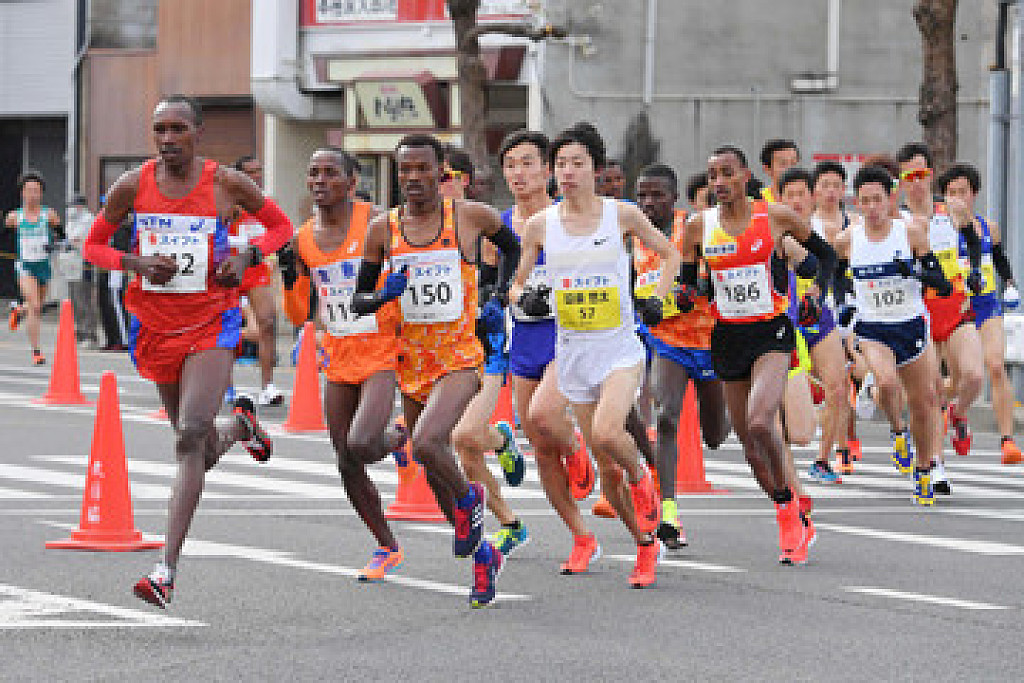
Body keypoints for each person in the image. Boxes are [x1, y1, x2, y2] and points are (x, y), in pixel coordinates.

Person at [82, 95, 293, 608]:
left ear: (198, 132)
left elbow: (282, 228)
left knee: (191, 433)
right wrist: (136, 263)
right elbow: (93, 246)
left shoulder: (226, 183)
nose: (168, 138)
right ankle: (241, 426)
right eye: (160, 129)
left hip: (212, 320)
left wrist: (247, 256)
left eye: (178, 128)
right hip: (155, 325)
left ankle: (165, 570)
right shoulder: (132, 184)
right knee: (193, 442)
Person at [352, 133, 522, 608]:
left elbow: (511, 248)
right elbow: (358, 300)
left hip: (460, 356)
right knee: (433, 470)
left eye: (422, 168)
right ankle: (485, 557)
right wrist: (382, 295)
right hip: (412, 361)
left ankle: (472, 500)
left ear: (440, 170)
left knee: (427, 442)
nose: (413, 177)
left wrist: (496, 293)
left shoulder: (468, 217)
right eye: (404, 169)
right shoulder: (383, 230)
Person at [512, 122, 674, 588]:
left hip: (618, 349)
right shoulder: (540, 226)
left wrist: (657, 298)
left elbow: (670, 255)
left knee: (607, 432)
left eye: (577, 163)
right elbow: (516, 285)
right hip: (573, 353)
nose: (567, 172)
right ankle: (644, 545)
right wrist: (526, 299)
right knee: (606, 471)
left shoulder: (621, 216)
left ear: (596, 169)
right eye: (561, 164)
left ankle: (643, 476)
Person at [679, 145, 835, 564]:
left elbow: (825, 256)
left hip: (772, 331)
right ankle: (788, 506)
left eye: (727, 173)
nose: (719, 182)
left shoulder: (775, 217)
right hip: (728, 336)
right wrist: (684, 294)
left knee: (760, 420)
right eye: (713, 176)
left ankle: (788, 516)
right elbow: (689, 282)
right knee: (750, 450)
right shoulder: (699, 226)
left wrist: (817, 293)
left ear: (746, 176)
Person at [281, 147, 407, 580]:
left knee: (362, 442)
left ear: (352, 183)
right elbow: (298, 314)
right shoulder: (302, 239)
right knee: (346, 459)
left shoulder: (378, 223)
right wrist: (290, 276)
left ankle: (400, 438)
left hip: (383, 348)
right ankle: (386, 546)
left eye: (330, 173)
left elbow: (410, 271)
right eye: (313, 172)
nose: (319, 180)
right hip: (339, 353)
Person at [498, 129, 601, 575]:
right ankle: (581, 536)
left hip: (568, 336)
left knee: (544, 414)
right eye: (510, 165)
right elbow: (495, 282)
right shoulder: (500, 225)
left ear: (547, 170)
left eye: (527, 163)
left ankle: (576, 448)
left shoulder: (566, 219)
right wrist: (511, 297)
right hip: (524, 340)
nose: (518, 173)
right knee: (538, 444)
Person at [832, 165, 947, 505]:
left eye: (877, 200)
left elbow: (940, 282)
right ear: (856, 202)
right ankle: (898, 430)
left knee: (924, 403)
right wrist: (844, 302)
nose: (872, 208)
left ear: (890, 199)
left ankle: (923, 470)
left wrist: (914, 271)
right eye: (864, 201)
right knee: (885, 382)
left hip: (910, 324)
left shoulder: (911, 233)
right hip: (872, 326)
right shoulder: (847, 240)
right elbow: (835, 275)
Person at [440, 145, 529, 559]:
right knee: (465, 448)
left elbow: (509, 256)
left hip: (484, 342)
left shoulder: (479, 222)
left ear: (465, 182)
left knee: (463, 434)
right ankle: (510, 523)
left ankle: (499, 437)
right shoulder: (410, 227)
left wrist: (496, 294)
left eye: (445, 177)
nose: (436, 185)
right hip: (440, 349)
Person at [634, 163, 729, 549]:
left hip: (708, 340)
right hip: (667, 342)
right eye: (642, 195)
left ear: (674, 199)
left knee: (715, 435)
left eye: (657, 195)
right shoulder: (632, 236)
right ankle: (668, 512)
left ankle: (732, 409)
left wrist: (692, 291)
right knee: (666, 416)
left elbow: (716, 278)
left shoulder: (691, 229)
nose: (648, 202)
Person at [898, 143, 985, 492]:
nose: (916, 182)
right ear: (901, 182)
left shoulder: (950, 210)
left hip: (956, 308)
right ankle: (935, 464)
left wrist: (974, 270)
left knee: (974, 376)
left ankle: (958, 413)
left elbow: (974, 241)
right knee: (931, 391)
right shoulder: (899, 222)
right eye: (909, 176)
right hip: (921, 314)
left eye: (921, 174)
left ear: (930, 175)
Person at [938, 162, 1023, 464]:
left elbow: (999, 259)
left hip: (986, 305)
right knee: (959, 380)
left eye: (962, 192)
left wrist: (1010, 283)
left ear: (974, 194)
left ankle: (1007, 442)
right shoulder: (940, 232)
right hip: (956, 311)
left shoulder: (988, 227)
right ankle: (955, 411)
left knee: (996, 366)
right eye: (951, 192)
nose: (957, 198)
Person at [777, 167, 851, 484]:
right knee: (783, 403)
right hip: (784, 322)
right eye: (789, 195)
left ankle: (823, 459)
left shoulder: (822, 230)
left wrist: (820, 292)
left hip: (818, 316)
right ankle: (782, 459)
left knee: (837, 384)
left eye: (801, 194)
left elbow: (832, 264)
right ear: (780, 199)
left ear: (813, 197)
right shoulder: (772, 230)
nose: (796, 201)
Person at [228, 156, 284, 406]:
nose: (256, 176)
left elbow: (278, 231)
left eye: (258, 171)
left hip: (256, 269)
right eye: (250, 172)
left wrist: (271, 257)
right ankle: (226, 386)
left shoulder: (266, 203)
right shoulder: (228, 201)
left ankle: (267, 386)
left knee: (267, 322)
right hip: (230, 269)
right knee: (225, 328)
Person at [5, 171, 61, 365]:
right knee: (35, 307)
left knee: (36, 307)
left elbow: (61, 236)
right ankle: (36, 351)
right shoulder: (14, 217)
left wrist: (54, 244)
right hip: (25, 266)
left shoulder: (49, 215)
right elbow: (5, 238)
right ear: (22, 193)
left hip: (43, 266)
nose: (32, 195)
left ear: (41, 193)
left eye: (36, 191)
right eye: (29, 190)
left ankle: (19, 310)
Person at [63, 194, 99, 347]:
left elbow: (79, 240)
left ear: (81, 206)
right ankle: (79, 331)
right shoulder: (71, 220)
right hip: (71, 263)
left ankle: (90, 334)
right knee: (74, 299)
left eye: (75, 205)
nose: (72, 209)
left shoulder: (88, 219)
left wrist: (69, 243)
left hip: (84, 264)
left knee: (83, 298)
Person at [759, 139, 801, 204]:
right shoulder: (759, 200)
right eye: (783, 163)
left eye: (793, 163)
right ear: (767, 169)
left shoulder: (809, 199)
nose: (790, 169)